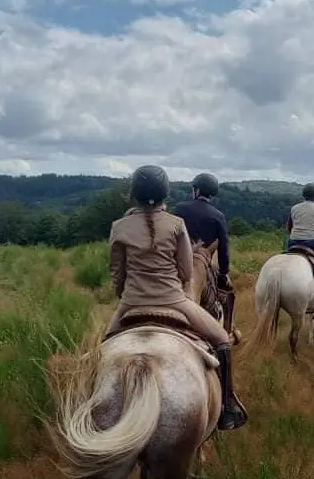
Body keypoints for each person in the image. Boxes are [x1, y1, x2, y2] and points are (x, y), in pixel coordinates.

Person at [106, 164, 248, 430]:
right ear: (164, 194)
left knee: (100, 349)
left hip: (131, 303)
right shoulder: (176, 225)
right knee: (221, 339)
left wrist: (124, 296)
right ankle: (227, 406)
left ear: (133, 194)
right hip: (175, 301)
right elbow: (185, 271)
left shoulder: (119, 226)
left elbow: (117, 274)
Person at [172, 172, 232, 291]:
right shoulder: (218, 216)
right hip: (204, 263)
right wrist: (223, 273)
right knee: (226, 295)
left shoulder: (179, 208)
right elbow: (223, 246)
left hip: (178, 261)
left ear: (197, 190)